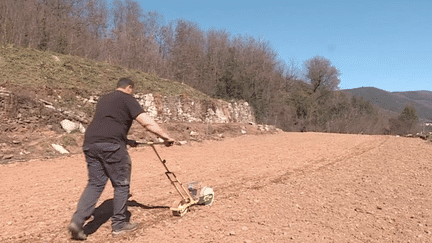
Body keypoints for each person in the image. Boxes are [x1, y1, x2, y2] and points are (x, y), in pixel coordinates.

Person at [68, 78, 174, 240]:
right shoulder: (127, 98)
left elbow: (109, 124)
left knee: (95, 184)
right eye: (133, 89)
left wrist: (126, 140)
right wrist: (166, 137)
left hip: (90, 143)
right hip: (112, 146)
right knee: (121, 184)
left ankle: (77, 221)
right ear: (129, 87)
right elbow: (147, 123)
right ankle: (119, 225)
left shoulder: (105, 99)